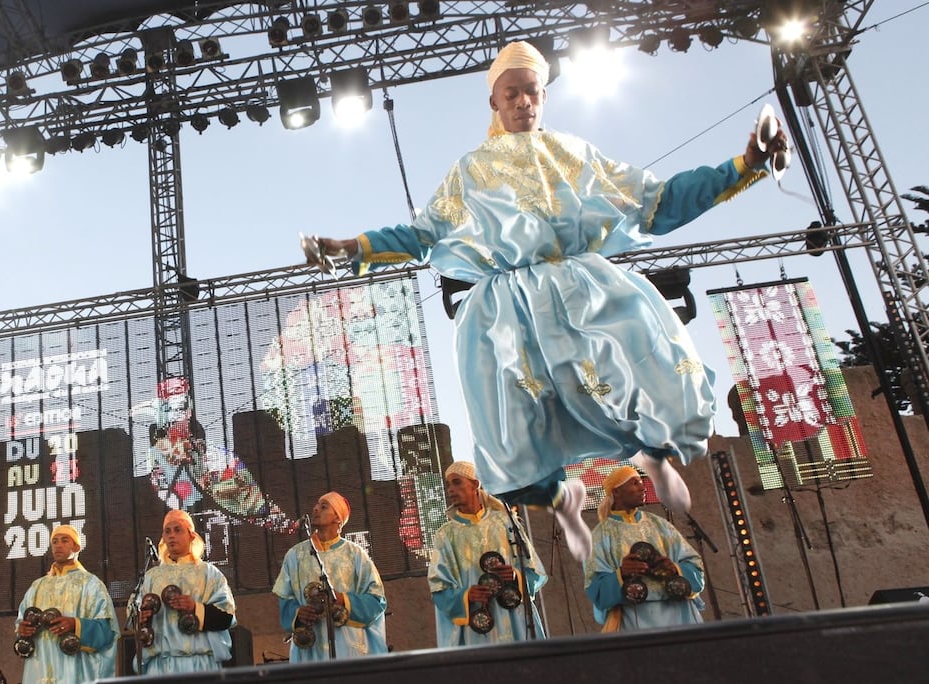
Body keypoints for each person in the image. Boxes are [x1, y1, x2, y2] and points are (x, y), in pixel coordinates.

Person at [301, 41, 790, 561]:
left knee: (639, 364)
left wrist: (747, 163)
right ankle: (561, 496)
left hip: (582, 288)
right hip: (508, 308)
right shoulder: (471, 172)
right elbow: (423, 234)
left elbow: (657, 200)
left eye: (532, 92)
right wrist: (353, 247)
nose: (523, 103)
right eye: (511, 94)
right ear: (495, 102)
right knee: (512, 423)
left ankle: (654, 455)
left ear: (543, 95)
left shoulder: (574, 154)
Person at [429, 461, 546, 646]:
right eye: (448, 485)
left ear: (475, 484)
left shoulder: (506, 522)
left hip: (514, 620)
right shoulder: (445, 535)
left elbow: (536, 572)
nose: (450, 489)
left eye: (457, 482)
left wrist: (515, 576)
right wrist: (466, 596)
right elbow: (438, 588)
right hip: (475, 627)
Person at [584, 465, 705, 631]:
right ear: (616, 492)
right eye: (634, 483)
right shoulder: (600, 535)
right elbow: (595, 589)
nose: (642, 487)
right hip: (632, 621)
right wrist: (622, 574)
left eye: (641, 482)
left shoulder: (660, 525)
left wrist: (675, 569)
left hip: (680, 615)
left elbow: (696, 567)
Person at [273, 492, 388, 661]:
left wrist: (343, 600)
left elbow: (377, 601)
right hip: (310, 650)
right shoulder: (295, 555)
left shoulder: (355, 554)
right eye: (317, 505)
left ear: (337, 518)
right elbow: (285, 599)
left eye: (324, 506)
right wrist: (298, 614)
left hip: (349, 646)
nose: (316, 509)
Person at [135, 509, 237, 674]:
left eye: (177, 530)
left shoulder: (209, 573)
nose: (171, 535)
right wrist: (141, 617)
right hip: (160, 665)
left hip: (199, 665)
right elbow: (135, 615)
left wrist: (195, 608)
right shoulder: (151, 577)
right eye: (167, 531)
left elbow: (227, 617)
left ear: (191, 535)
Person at [15, 524, 118, 683]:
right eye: (54, 541)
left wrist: (75, 625)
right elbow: (21, 620)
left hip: (74, 671)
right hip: (40, 669)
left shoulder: (91, 584)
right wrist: (22, 629)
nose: (58, 545)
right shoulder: (37, 586)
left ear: (76, 546)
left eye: (64, 540)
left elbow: (107, 631)